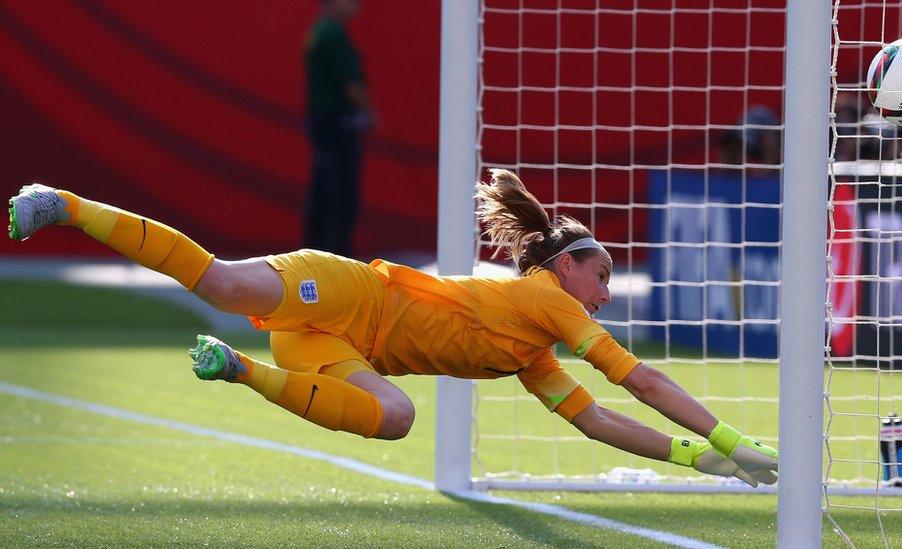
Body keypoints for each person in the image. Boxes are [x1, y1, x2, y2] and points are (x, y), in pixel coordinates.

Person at [7, 169, 778, 486]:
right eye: (602, 273)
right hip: (345, 292)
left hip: (335, 347)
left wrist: (695, 460)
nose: (606, 292)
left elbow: (599, 419)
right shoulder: (548, 298)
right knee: (217, 281)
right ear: (564, 266)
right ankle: (63, 203)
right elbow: (638, 380)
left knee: (398, 417)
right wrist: (727, 439)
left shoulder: (532, 347)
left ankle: (236, 369)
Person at [304, 0, 371, 257]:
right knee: (341, 194)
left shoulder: (319, 31)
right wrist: (368, 111)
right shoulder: (332, 33)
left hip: (323, 123)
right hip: (337, 124)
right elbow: (349, 83)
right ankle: (336, 256)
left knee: (322, 190)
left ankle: (314, 252)